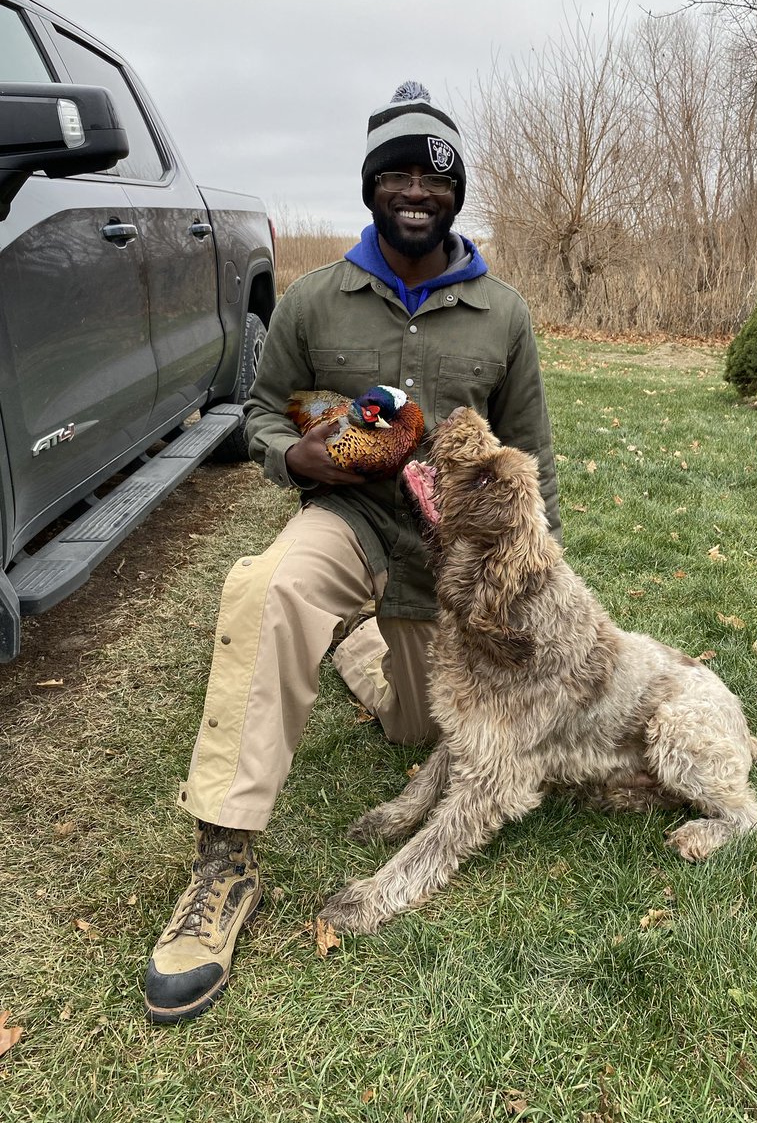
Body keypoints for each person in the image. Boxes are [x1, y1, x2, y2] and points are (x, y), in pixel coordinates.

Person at [143, 81, 561, 1024]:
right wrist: (290, 452)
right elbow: (256, 408)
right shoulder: (314, 302)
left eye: (434, 177)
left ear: (456, 194)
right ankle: (223, 864)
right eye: (397, 175)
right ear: (372, 187)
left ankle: (365, 652)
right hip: (346, 523)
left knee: (422, 733)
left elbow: (531, 455)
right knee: (271, 589)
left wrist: (536, 581)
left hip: (443, 567)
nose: (416, 190)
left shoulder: (504, 314)